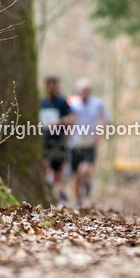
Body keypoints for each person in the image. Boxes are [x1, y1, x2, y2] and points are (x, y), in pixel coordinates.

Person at [68, 78, 110, 207]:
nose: (84, 92)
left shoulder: (97, 104)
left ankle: (86, 182)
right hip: (74, 141)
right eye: (82, 90)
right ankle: (77, 199)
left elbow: (106, 120)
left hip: (90, 141)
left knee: (85, 168)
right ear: (78, 91)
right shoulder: (71, 103)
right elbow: (66, 119)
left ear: (90, 91)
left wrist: (101, 135)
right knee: (75, 173)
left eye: (86, 90)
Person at [39, 76, 74, 204]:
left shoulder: (62, 102)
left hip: (58, 140)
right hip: (44, 139)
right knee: (46, 166)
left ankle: (61, 196)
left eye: (55, 86)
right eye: (50, 85)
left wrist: (59, 123)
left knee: (58, 171)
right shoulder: (42, 102)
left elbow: (72, 118)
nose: (52, 88)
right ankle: (51, 193)